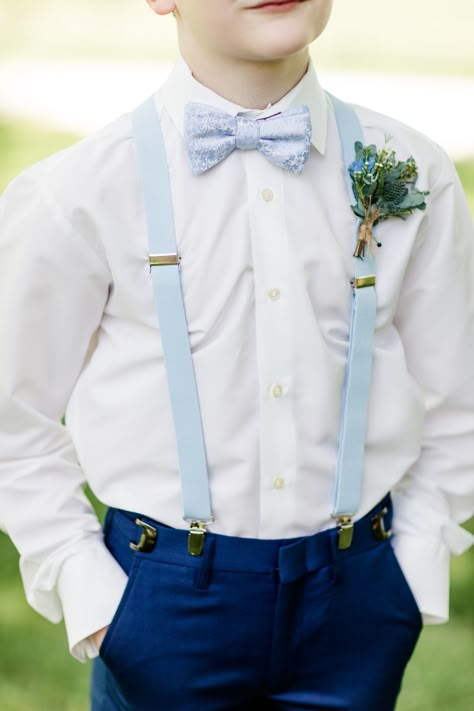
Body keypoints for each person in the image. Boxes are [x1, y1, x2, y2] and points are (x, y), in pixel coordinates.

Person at [0, 0, 473, 709]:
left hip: (359, 599)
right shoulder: (79, 193)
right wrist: (90, 591)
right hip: (159, 602)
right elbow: (16, 420)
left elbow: (459, 393)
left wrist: (415, 563)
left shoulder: (414, 170)